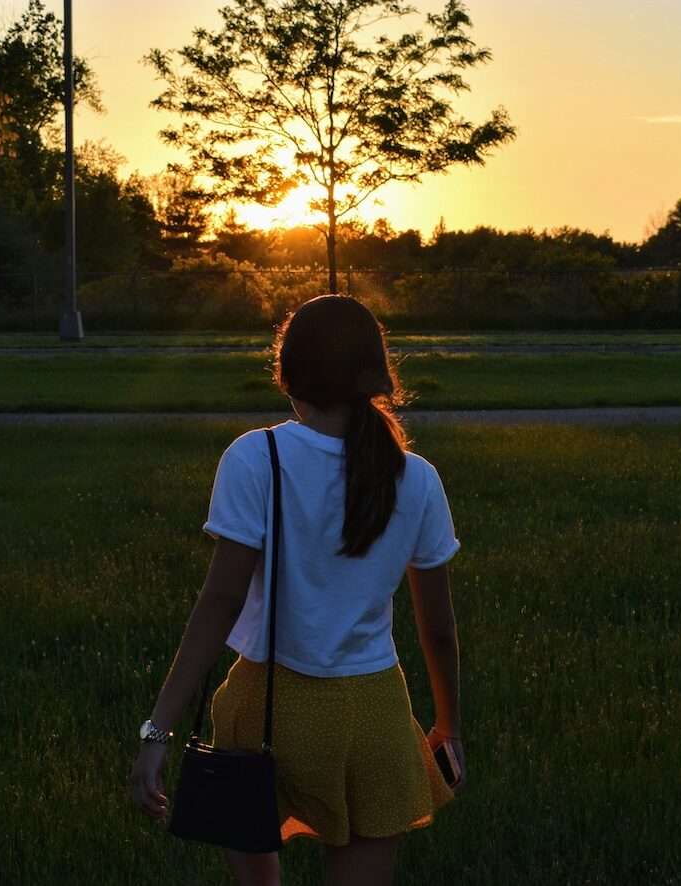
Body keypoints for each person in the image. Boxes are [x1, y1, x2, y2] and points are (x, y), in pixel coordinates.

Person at [129, 295, 464, 886]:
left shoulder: (256, 456)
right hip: (376, 718)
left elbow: (220, 602)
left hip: (266, 713)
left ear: (288, 373)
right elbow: (437, 628)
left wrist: (158, 731)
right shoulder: (417, 477)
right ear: (375, 374)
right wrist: (447, 727)